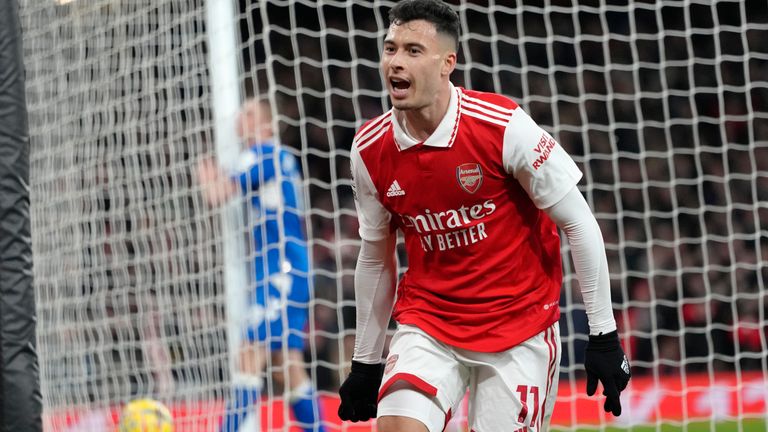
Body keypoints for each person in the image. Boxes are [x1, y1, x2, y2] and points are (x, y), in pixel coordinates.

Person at [337, 1, 631, 431]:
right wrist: (365, 361)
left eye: (413, 51)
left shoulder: (503, 126)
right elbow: (375, 255)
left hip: (520, 328)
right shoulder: (369, 148)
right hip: (430, 323)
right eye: (390, 48)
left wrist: (603, 334)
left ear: (447, 63)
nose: (395, 63)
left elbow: (579, 222)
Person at [197, 98, 325, 432]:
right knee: (287, 366)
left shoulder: (263, 152)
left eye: (250, 113)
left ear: (268, 125)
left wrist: (205, 173)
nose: (241, 118)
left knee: (250, 351)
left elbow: (217, 193)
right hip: (292, 268)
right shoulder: (283, 157)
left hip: (280, 271)